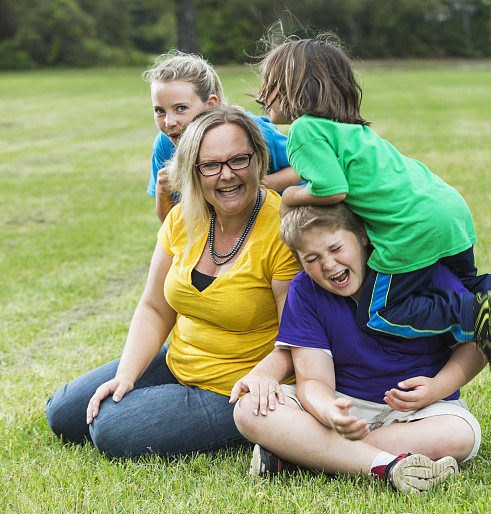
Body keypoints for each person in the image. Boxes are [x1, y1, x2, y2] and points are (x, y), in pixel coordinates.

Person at [257, 36, 491, 379]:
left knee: (381, 310)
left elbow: (331, 189)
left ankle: (479, 314)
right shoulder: (350, 130)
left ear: (291, 88)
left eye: (268, 85)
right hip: (448, 208)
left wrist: (289, 197)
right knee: (463, 281)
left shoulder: (303, 129)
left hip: (410, 228)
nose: (263, 95)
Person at [46, 106, 301, 458]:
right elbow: (154, 307)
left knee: (112, 429)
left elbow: (298, 337)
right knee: (63, 414)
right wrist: (127, 375)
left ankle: (264, 423)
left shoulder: (281, 230)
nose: (226, 176)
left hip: (238, 386)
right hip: (179, 360)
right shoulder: (183, 217)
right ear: (193, 172)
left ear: (258, 159)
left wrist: (263, 379)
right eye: (210, 165)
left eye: (239, 160)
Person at [232, 204, 486, 494]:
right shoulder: (305, 291)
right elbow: (313, 380)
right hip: (344, 404)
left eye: (336, 248)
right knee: (249, 409)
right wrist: (329, 412)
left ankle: (300, 457)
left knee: (458, 436)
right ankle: (385, 466)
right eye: (312, 258)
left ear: (363, 236)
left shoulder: (421, 274)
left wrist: (437, 387)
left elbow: (477, 344)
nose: (328, 264)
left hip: (420, 411)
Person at [144, 50, 301, 222]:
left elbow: (303, 167)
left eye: (181, 108)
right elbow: (171, 227)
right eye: (160, 110)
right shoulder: (165, 143)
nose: (169, 122)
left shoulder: (252, 131)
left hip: (287, 220)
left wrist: (262, 183)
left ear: (211, 104)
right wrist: (162, 191)